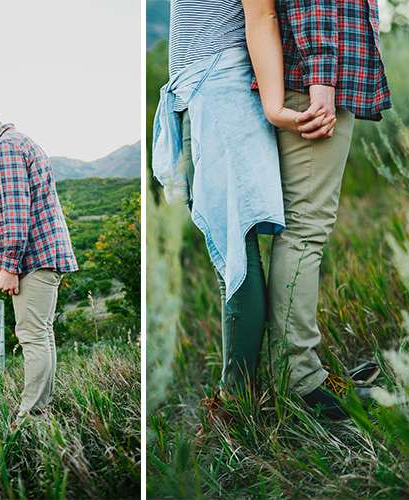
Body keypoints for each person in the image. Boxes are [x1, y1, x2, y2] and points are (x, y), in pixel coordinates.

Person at [151, 0, 333, 401]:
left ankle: (237, 398)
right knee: (233, 250)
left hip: (221, 90)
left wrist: (272, 106)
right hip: (207, 89)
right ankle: (254, 387)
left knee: (234, 253)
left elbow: (262, 14)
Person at [245, 0, 390, 419]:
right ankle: (299, 379)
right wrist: (322, 78)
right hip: (313, 84)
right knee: (306, 230)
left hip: (311, 77)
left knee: (303, 229)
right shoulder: (318, 79)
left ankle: (295, 369)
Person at [0, 89, 78, 429]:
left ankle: (31, 417)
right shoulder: (20, 141)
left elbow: (15, 212)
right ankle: (43, 410)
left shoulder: (4, 148)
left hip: (33, 256)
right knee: (42, 333)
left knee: (32, 336)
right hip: (46, 253)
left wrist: (8, 268)